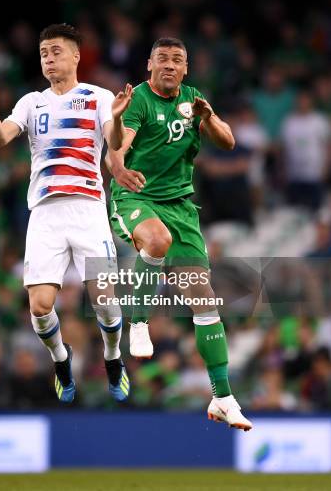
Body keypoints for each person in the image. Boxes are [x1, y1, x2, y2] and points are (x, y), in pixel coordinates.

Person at [0, 23, 132, 404]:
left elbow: (114, 143)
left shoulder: (98, 97)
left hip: (88, 210)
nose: (49, 59)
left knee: (105, 300)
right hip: (45, 214)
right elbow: (0, 138)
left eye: (57, 51)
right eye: (44, 52)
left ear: (76, 56)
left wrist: (118, 116)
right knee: (40, 305)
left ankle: (113, 357)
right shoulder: (32, 102)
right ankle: (61, 360)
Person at [107, 37, 252, 430]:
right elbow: (118, 149)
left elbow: (228, 141)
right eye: (163, 59)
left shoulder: (192, 98)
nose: (170, 65)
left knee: (205, 302)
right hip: (136, 196)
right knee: (156, 240)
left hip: (182, 208)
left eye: (178, 60)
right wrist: (117, 163)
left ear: (186, 69)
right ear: (149, 65)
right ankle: (137, 321)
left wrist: (208, 117)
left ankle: (223, 397)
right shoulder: (137, 99)